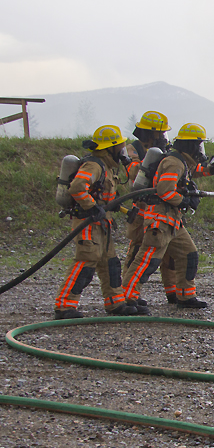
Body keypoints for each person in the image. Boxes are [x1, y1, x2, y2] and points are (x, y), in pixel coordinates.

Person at [121, 123, 214, 309]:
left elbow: (192, 172)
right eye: (199, 145)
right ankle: (127, 297)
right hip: (160, 219)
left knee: (188, 254)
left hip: (172, 220)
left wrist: (212, 168)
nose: (200, 150)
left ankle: (186, 296)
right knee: (147, 260)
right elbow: (165, 190)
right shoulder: (174, 162)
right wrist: (184, 201)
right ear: (190, 146)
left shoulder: (181, 161)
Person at [54, 125, 143, 319]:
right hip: (88, 223)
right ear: (109, 148)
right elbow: (77, 188)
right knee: (86, 262)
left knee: (110, 263)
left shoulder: (106, 166)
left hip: (102, 224)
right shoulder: (94, 165)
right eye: (119, 147)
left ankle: (115, 303)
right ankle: (64, 306)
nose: (122, 151)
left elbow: (104, 197)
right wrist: (92, 207)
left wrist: (120, 208)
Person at [123, 111, 178, 308]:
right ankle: (127, 293)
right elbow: (132, 171)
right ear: (150, 133)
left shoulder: (163, 150)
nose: (163, 137)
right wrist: (152, 160)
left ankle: (173, 292)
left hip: (160, 210)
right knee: (138, 251)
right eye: (160, 133)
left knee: (170, 252)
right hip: (141, 210)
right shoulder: (133, 149)